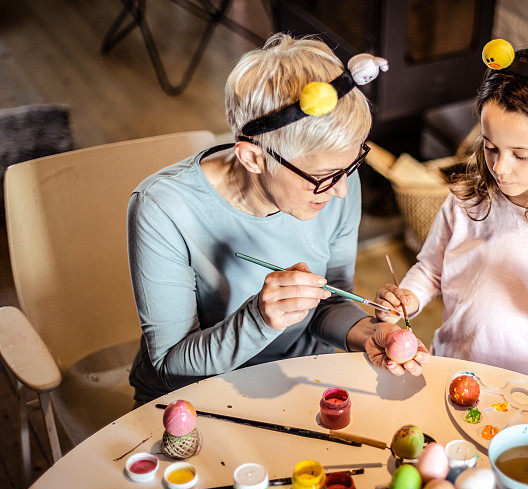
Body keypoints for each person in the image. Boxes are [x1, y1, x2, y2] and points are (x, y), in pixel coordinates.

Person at [127, 33, 428, 403]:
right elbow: (170, 360)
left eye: (350, 167)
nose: (342, 192)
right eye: (323, 178)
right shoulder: (162, 208)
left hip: (297, 382)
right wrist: (259, 319)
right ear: (253, 158)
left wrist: (367, 335)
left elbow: (328, 303)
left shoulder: (337, 178)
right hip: (194, 398)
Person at [375, 43, 528, 387]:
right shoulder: (466, 200)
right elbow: (431, 269)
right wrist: (408, 296)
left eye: (520, 154)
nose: (500, 167)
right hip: (452, 369)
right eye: (491, 147)